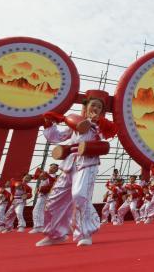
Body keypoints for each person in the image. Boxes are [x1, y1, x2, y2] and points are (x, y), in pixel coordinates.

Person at [36, 92, 118, 247]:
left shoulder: (101, 125)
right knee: (54, 199)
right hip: (69, 164)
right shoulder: (75, 125)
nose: (96, 108)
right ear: (85, 107)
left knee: (80, 195)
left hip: (87, 163)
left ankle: (84, 233)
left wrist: (97, 121)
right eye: (93, 105)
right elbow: (57, 137)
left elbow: (110, 131)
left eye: (99, 107)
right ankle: (55, 234)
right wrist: (49, 123)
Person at [30, 164, 58, 234]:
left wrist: (40, 189)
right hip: (42, 195)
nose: (51, 168)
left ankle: (38, 227)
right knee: (43, 211)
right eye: (51, 167)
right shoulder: (45, 174)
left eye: (54, 168)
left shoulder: (55, 178)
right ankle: (42, 227)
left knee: (37, 210)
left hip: (47, 196)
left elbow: (50, 187)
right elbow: (35, 176)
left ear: (56, 170)